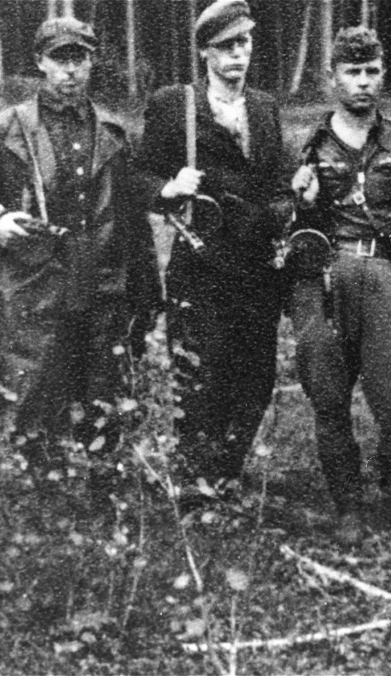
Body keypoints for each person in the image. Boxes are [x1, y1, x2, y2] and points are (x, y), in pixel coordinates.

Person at [0, 17, 158, 499]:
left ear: (91, 62)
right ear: (40, 62)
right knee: (38, 387)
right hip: (35, 281)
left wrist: (145, 289)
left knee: (104, 384)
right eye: (60, 59)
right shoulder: (9, 127)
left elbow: (132, 218)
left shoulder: (114, 131)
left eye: (78, 59)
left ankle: (105, 490)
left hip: (101, 277)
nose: (69, 70)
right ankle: (48, 495)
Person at [288, 26, 391, 543]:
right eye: (352, 72)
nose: (363, 82)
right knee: (329, 396)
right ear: (332, 77)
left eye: (372, 71)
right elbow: (289, 224)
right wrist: (301, 202)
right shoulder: (305, 144)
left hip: (384, 278)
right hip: (323, 280)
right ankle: (347, 504)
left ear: (382, 74)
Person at [138, 0, 291, 499]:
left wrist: (285, 206)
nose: (237, 55)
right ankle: (194, 482)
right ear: (204, 52)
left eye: (244, 43)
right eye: (226, 46)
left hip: (257, 265)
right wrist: (169, 187)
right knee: (201, 375)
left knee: (256, 378)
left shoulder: (264, 108)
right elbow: (137, 177)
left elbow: (278, 180)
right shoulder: (175, 105)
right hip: (201, 264)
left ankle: (227, 474)